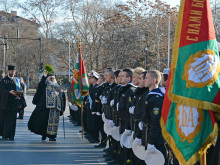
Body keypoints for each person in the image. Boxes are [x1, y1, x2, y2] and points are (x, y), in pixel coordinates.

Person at [28, 70, 66, 141]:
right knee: (44, 123)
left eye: (53, 78)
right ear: (47, 79)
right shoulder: (44, 86)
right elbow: (40, 86)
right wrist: (44, 77)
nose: (52, 79)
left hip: (55, 109)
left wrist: (62, 109)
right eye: (50, 78)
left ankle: (52, 136)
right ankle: (44, 134)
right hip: (45, 109)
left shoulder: (58, 87)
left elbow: (63, 99)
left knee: (53, 124)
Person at [0, 65, 21, 140]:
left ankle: (11, 135)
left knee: (13, 121)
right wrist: (9, 92)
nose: (13, 72)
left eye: (14, 71)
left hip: (14, 103)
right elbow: (1, 91)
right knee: (6, 120)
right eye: (11, 71)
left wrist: (19, 98)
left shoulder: (17, 80)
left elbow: (20, 89)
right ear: (8, 71)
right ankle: (5, 135)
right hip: (6, 104)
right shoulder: (3, 81)